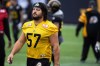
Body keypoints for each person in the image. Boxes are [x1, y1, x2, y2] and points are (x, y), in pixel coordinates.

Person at [47, 0, 64, 65]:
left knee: (52, 54)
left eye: (50, 7)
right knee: (52, 54)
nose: (49, 8)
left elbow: (55, 29)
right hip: (57, 36)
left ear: (54, 8)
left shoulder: (56, 17)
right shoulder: (58, 14)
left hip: (56, 37)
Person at [0, 1, 11, 66]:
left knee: (1, 55)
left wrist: (9, 38)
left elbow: (6, 27)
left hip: (0, 36)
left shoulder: (3, 12)